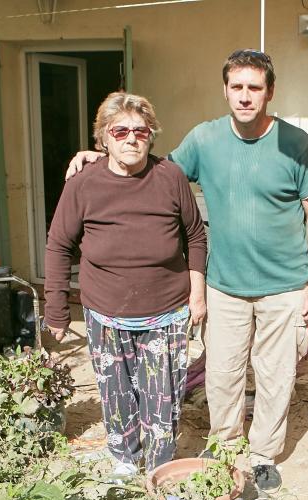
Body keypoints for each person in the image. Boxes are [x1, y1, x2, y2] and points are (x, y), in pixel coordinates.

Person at [67, 50, 308, 491]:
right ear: (225, 89)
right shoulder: (205, 139)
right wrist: (100, 155)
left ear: (270, 92)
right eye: (237, 87)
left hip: (284, 285)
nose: (245, 97)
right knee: (223, 374)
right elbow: (153, 168)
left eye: (255, 88)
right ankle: (225, 446)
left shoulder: (295, 142)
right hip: (224, 283)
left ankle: (263, 454)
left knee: (274, 375)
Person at [46, 92, 207, 477]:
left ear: (151, 135)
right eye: (120, 130)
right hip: (106, 312)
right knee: (116, 395)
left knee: (162, 399)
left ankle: (159, 469)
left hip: (166, 311)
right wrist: (55, 311)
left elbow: (195, 235)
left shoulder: (170, 177)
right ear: (103, 138)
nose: (131, 138)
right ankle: (124, 462)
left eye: (141, 130)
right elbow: (58, 246)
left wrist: (197, 292)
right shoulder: (83, 184)